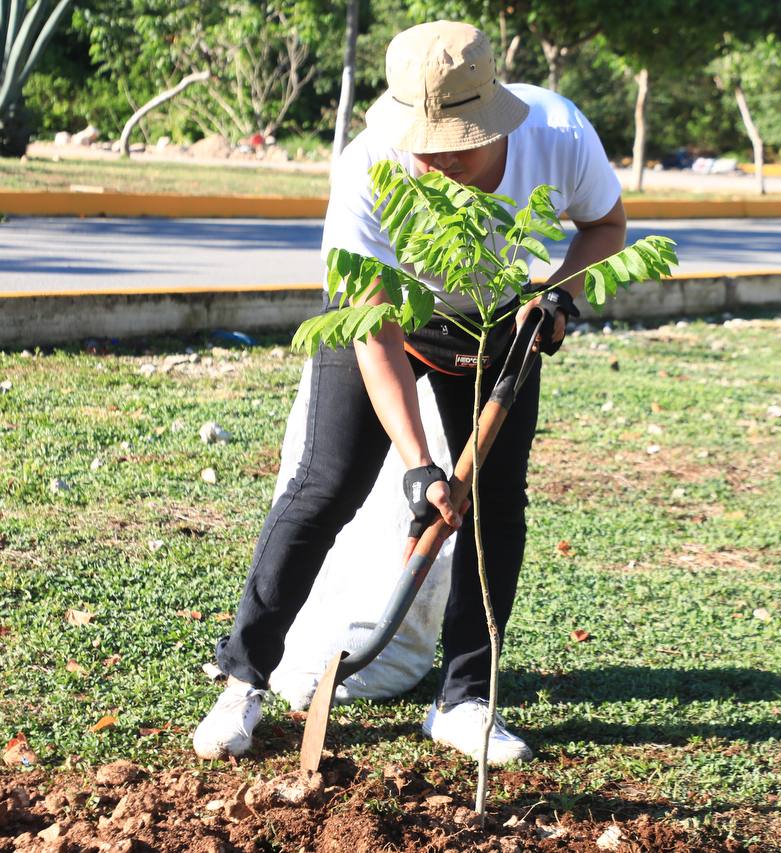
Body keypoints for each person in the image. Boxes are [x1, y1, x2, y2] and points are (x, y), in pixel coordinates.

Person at [193, 20, 626, 765]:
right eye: (423, 144)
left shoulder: (558, 132)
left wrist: (556, 294)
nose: (433, 161)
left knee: (495, 502)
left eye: (456, 143)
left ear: (495, 116)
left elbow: (606, 224)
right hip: (388, 315)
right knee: (323, 485)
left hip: (497, 316)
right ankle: (242, 681)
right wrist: (421, 466)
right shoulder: (369, 167)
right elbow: (375, 328)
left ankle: (465, 700)